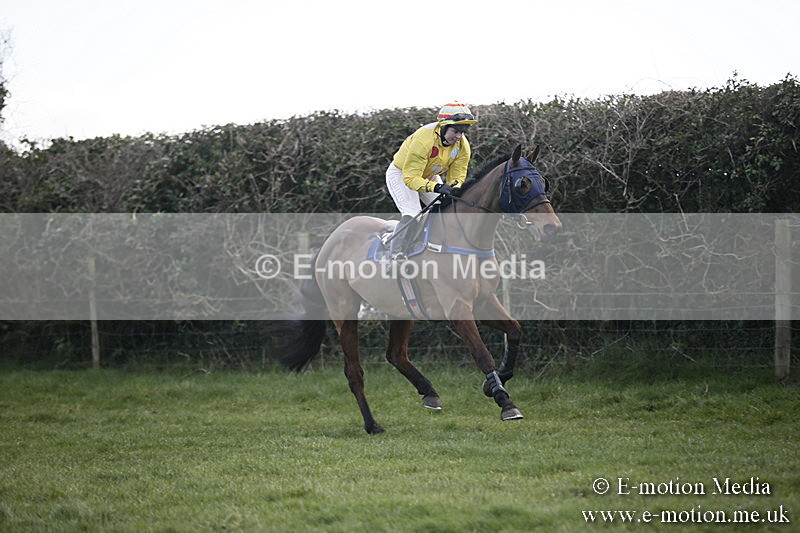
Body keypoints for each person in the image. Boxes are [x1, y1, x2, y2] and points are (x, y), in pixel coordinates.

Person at [385, 102, 477, 259]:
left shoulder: (463, 146)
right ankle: (394, 254)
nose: (459, 137)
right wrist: (437, 187)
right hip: (402, 174)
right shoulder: (424, 140)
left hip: (427, 175)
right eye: (455, 131)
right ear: (443, 127)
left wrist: (453, 189)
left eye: (463, 132)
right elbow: (411, 178)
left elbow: (457, 176)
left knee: (446, 210)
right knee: (413, 212)